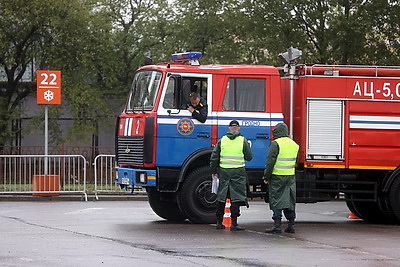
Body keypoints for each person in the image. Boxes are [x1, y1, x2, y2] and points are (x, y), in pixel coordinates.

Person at [210, 120, 253, 231]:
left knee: (222, 195)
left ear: (229, 128)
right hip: (238, 172)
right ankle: (234, 224)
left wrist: (213, 170)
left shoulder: (222, 140)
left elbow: (214, 157)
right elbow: (249, 157)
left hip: (224, 171)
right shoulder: (242, 140)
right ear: (238, 128)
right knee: (236, 196)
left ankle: (219, 222)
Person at [263, 122, 299, 233]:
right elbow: (295, 162)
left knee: (276, 198)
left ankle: (277, 225)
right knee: (289, 200)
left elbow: (270, 162)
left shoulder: (276, 143)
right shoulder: (294, 144)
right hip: (290, 176)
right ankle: (291, 225)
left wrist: (266, 177)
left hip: (277, 176)